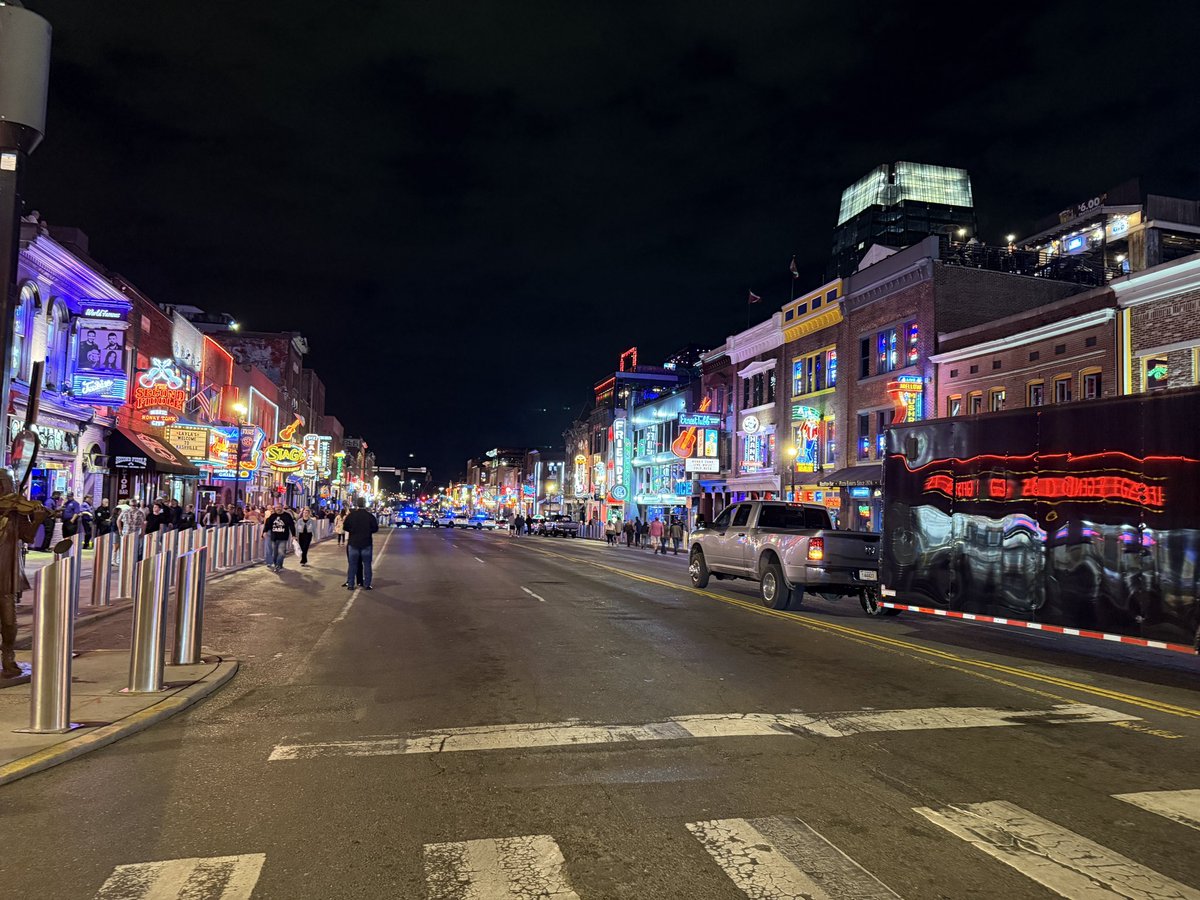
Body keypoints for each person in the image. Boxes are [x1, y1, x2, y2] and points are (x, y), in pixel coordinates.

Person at [342, 499, 378, 590]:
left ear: (357, 504)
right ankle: (367, 584)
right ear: (365, 504)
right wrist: (367, 531)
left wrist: (353, 531)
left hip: (353, 542)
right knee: (367, 565)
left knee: (352, 565)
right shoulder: (370, 516)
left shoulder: (351, 515)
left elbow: (345, 526)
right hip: (366, 543)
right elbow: (375, 528)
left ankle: (350, 584)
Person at [262, 503, 295, 572]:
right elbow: (267, 524)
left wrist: (294, 535)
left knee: (281, 552)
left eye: (279, 507)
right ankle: (277, 564)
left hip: (283, 537)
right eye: (276, 507)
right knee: (275, 554)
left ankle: (278, 565)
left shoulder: (287, 516)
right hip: (274, 537)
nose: (278, 509)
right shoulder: (272, 516)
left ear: (282, 507)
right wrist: (264, 531)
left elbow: (291, 525)